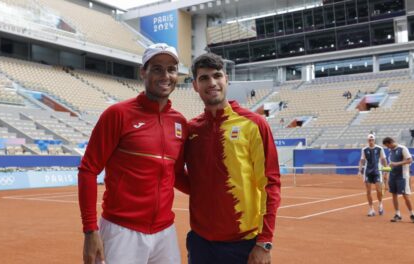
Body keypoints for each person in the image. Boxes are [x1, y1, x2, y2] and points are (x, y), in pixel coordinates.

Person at [78, 43, 187, 264]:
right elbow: (88, 170)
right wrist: (90, 230)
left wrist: (214, 191)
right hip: (121, 231)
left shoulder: (180, 122)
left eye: (171, 69)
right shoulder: (117, 114)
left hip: (165, 232)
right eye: (157, 68)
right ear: (143, 72)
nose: (165, 75)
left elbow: (176, 173)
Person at [176, 53, 281, 264]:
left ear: (227, 80)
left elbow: (270, 184)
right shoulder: (191, 129)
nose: (212, 83)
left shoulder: (253, 124)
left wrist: (265, 242)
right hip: (200, 243)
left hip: (244, 244)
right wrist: (204, 190)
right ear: (195, 85)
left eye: (217, 76)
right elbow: (178, 175)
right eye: (204, 78)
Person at [382, 137, 414, 224]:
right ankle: (397, 214)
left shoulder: (403, 148)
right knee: (394, 195)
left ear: (391, 142)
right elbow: (390, 164)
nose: (388, 147)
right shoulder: (390, 152)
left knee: (405, 196)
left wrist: (397, 163)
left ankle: (412, 215)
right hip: (393, 176)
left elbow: (410, 160)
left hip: (402, 176)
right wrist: (385, 173)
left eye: (388, 145)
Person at [358, 134, 388, 216]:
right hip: (368, 172)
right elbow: (361, 160)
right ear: (367, 141)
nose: (370, 141)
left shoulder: (379, 148)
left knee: (379, 190)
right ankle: (371, 209)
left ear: (374, 140)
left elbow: (384, 160)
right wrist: (360, 168)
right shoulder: (364, 149)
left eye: (372, 140)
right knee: (368, 191)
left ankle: (380, 204)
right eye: (369, 140)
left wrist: (386, 172)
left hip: (377, 172)